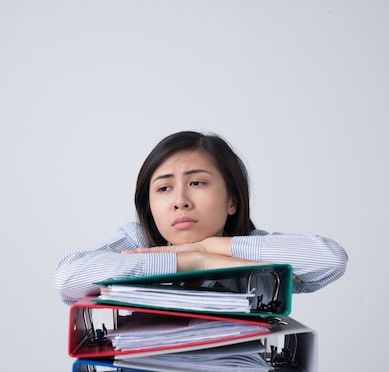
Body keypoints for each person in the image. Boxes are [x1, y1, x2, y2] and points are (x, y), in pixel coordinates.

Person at [54, 131, 348, 306]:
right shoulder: (138, 240)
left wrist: (212, 248)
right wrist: (192, 261)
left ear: (232, 200)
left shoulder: (253, 250)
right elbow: (68, 278)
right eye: (164, 188)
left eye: (197, 183)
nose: (180, 200)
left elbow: (330, 260)